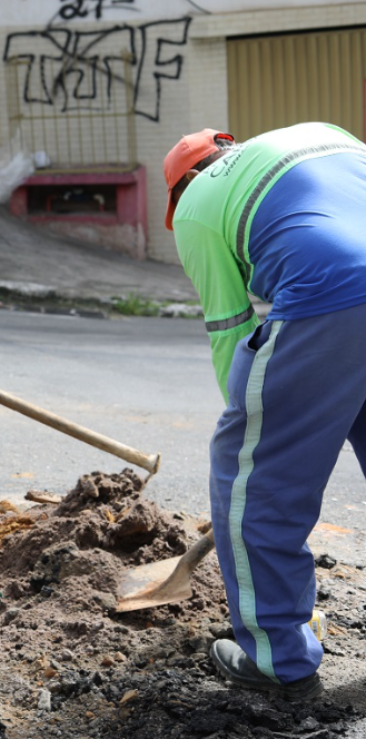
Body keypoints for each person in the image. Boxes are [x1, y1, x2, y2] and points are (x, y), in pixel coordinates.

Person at [164, 121, 366, 701]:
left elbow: (231, 330)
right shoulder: (317, 134)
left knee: (251, 469)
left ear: (179, 190)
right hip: (346, 275)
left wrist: (256, 429)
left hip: (332, 283)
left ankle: (277, 655)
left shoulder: (197, 208)